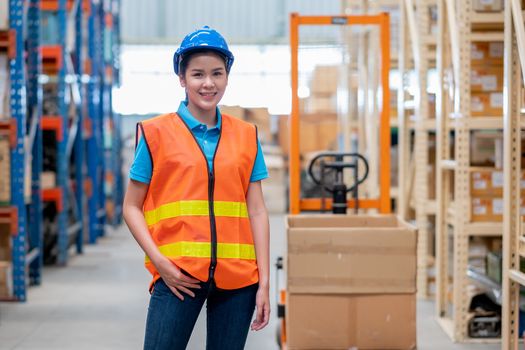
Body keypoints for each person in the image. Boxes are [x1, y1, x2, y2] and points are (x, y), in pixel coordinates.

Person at [122, 26, 271, 350]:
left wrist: (265, 283)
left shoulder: (246, 135)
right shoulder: (155, 133)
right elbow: (131, 206)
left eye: (217, 73)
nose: (208, 83)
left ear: (227, 76)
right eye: (198, 74)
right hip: (178, 277)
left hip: (238, 280)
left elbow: (257, 210)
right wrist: (160, 262)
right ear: (182, 78)